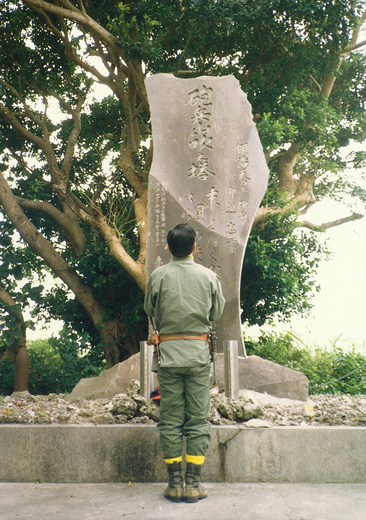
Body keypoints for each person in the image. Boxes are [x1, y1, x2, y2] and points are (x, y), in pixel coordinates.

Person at [144, 223, 225, 503]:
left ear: (168, 248)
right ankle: (193, 484)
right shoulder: (209, 276)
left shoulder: (158, 275)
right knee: (197, 419)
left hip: (167, 356)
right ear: (194, 248)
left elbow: (149, 309)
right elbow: (217, 312)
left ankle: (174, 484)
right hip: (199, 356)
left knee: (170, 419)